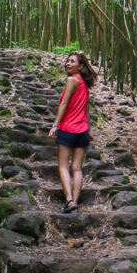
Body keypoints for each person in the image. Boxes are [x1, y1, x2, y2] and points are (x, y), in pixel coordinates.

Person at [49, 51, 97, 214]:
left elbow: (63, 104)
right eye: (67, 61)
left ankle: (69, 200)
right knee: (77, 168)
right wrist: (88, 131)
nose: (67, 63)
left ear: (81, 66)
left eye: (72, 61)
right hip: (82, 131)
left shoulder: (72, 80)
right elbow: (87, 111)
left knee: (63, 166)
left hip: (68, 129)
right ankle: (74, 202)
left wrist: (55, 125)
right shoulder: (84, 84)